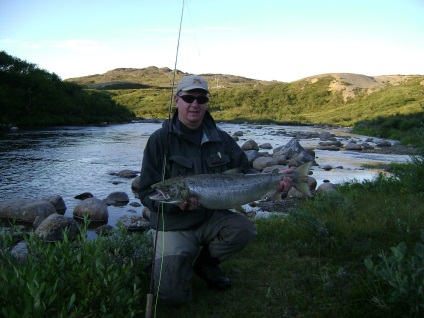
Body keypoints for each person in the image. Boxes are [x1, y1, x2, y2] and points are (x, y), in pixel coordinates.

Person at [138, 74, 292, 306]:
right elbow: (146, 192)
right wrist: (174, 205)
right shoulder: (160, 140)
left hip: (212, 218)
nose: (195, 104)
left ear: (206, 103)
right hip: (175, 225)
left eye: (202, 98)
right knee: (171, 297)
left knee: (244, 229)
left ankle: (205, 264)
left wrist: (275, 182)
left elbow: (245, 173)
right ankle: (166, 264)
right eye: (189, 97)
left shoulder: (221, 139)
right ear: (177, 101)